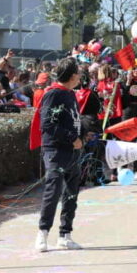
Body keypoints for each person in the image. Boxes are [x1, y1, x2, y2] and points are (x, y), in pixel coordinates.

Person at [33, 57, 85, 253]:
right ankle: (43, 233)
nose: (80, 76)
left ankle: (65, 235)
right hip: (55, 150)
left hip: (73, 151)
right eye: (78, 73)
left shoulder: (70, 94)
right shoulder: (53, 94)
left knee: (71, 193)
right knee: (53, 190)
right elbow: (47, 124)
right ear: (71, 76)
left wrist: (83, 135)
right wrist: (72, 138)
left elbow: (73, 120)